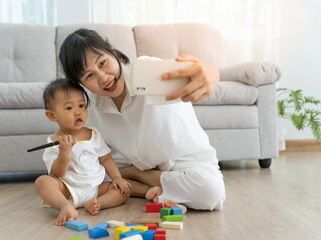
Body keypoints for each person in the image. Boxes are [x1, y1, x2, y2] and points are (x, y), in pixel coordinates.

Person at [58, 28, 226, 211]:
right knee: (84, 179)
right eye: (89, 76)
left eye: (103, 63)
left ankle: (142, 176)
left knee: (211, 192)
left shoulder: (148, 70)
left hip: (183, 161)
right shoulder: (91, 107)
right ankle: (154, 187)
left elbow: (198, 71)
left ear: (111, 52)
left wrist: (211, 73)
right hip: (132, 163)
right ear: (81, 84)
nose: (104, 78)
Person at [34, 78, 131, 226]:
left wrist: (117, 177)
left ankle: (98, 203)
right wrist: (64, 152)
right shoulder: (55, 141)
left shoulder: (93, 134)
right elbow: (57, 173)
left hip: (97, 187)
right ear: (52, 116)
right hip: (69, 189)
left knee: (123, 190)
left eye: (81, 105)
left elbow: (105, 159)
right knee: (42, 182)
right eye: (69, 108)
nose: (78, 112)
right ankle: (65, 206)